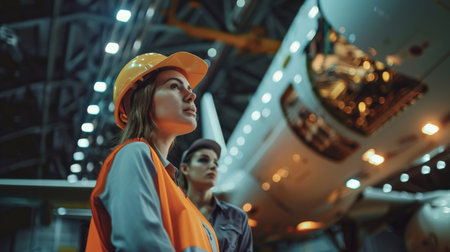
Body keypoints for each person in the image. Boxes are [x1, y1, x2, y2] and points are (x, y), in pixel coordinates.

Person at [85, 52, 219, 252]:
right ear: (142, 100)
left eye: (189, 88)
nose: (191, 95)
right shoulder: (134, 154)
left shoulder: (177, 193)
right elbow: (141, 245)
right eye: (174, 86)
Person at [179, 138, 253, 252]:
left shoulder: (237, 217)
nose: (213, 166)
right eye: (203, 160)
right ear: (185, 168)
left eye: (216, 163)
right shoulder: (173, 212)